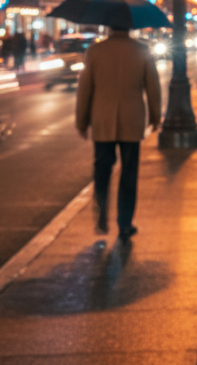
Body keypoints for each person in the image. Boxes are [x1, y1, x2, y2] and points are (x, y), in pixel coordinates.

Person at [76, 27, 162, 240]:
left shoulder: (95, 52)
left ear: (109, 27)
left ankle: (101, 213)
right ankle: (125, 222)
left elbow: (85, 88)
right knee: (129, 172)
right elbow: (153, 87)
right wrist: (155, 116)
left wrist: (82, 120)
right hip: (132, 119)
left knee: (102, 168)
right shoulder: (142, 50)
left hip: (102, 119)